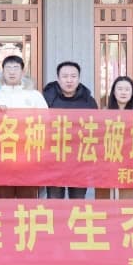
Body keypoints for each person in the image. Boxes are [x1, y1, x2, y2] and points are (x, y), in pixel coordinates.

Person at [0, 54, 46, 199]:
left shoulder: (35, 96)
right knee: (3, 200)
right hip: (2, 158)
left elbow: (45, 121)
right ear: (2, 71)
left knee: (27, 200)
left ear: (23, 72)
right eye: (8, 68)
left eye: (16, 68)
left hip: (28, 157)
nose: (12, 72)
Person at [43, 60, 97, 200]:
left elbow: (96, 129)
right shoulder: (46, 99)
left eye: (73, 76)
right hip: (53, 159)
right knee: (54, 200)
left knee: (78, 200)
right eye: (65, 76)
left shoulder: (89, 101)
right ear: (58, 78)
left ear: (79, 78)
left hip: (79, 160)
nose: (69, 80)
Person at [106, 75, 133, 200]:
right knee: (106, 204)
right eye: (120, 89)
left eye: (127, 89)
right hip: (108, 165)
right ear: (113, 92)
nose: (123, 92)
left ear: (132, 93)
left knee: (130, 203)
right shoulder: (103, 113)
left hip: (132, 165)